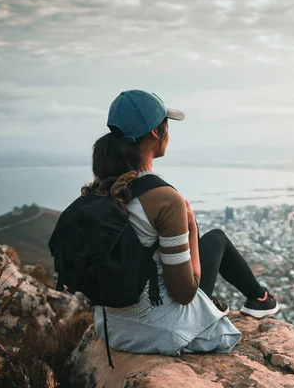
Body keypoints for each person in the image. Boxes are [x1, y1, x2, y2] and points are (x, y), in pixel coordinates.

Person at [86, 90, 279, 356]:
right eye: (167, 125)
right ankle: (260, 299)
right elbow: (185, 293)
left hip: (112, 325)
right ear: (155, 133)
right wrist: (190, 227)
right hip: (157, 327)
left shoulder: (102, 188)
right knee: (216, 238)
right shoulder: (164, 199)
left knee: (211, 241)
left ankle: (251, 298)